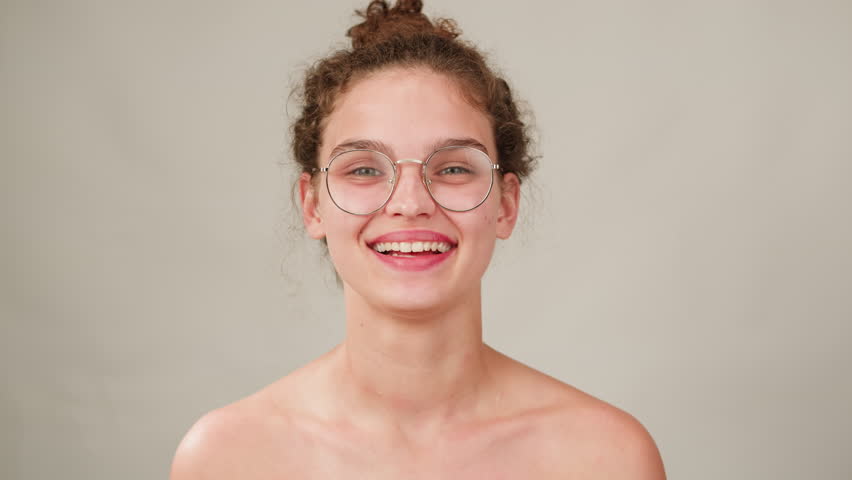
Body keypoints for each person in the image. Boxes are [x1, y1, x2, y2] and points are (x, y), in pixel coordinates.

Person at [170, 1, 666, 478]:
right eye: (364, 168)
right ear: (312, 204)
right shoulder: (225, 459)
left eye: (452, 168)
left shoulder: (606, 458)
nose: (410, 202)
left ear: (506, 204)